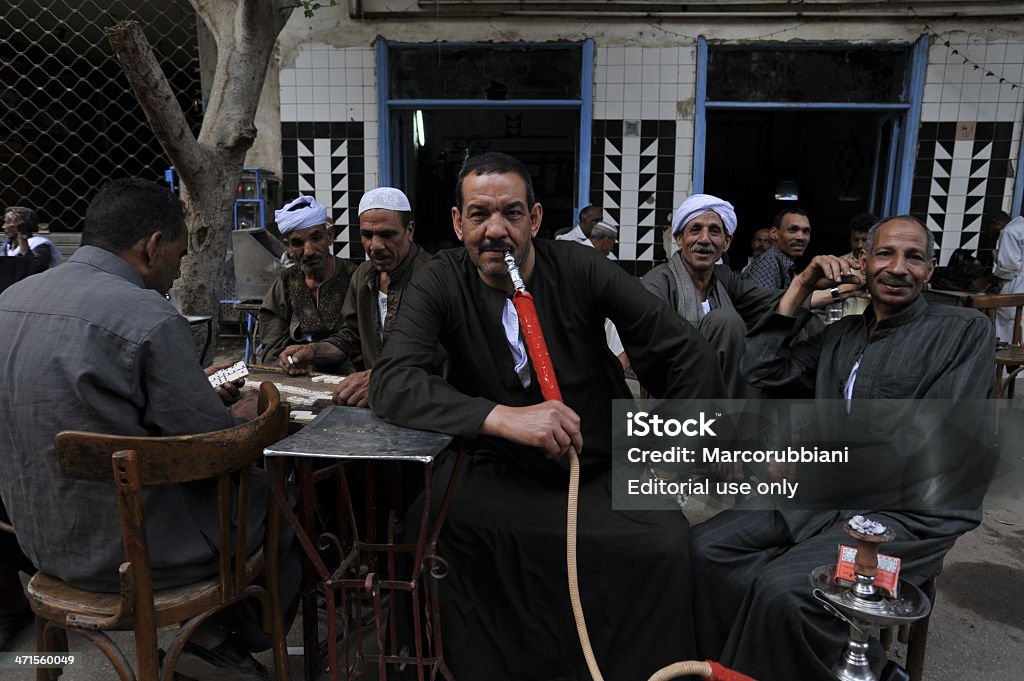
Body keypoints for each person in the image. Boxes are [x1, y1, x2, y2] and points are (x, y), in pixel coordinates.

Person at [369, 152, 726, 680]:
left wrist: (667, 454)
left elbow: (685, 352)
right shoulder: (441, 278)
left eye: (512, 214)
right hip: (496, 465)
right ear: (456, 221)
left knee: (662, 545)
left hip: (598, 465)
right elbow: (393, 380)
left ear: (534, 220)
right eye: (479, 215)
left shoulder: (582, 266)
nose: (496, 231)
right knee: (432, 535)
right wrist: (501, 417)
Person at [0, 178, 297, 679]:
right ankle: (224, 634)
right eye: (179, 258)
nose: (178, 272)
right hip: (134, 558)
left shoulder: (9, 301)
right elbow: (210, 449)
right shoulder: (146, 315)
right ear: (152, 245)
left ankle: (205, 636)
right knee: (284, 488)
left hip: (37, 544)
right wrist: (249, 414)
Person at [691, 215, 995, 681]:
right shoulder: (840, 336)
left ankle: (877, 673)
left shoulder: (962, 330)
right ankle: (723, 668)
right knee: (702, 550)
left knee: (787, 591)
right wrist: (801, 290)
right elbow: (762, 369)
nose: (898, 268)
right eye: (885, 254)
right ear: (863, 263)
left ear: (930, 270)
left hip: (903, 513)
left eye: (914, 257)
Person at [642, 194, 863, 399]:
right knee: (726, 321)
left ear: (726, 243)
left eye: (714, 231)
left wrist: (838, 290)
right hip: (680, 386)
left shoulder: (725, 277)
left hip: (726, 385)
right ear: (679, 239)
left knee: (807, 323)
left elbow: (770, 302)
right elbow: (654, 352)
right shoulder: (659, 282)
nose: (704, 239)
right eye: (695, 230)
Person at [278, 187, 433, 407]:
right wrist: (313, 351)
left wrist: (383, 378)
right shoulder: (363, 276)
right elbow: (350, 338)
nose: (375, 246)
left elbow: (439, 356)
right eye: (367, 235)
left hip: (422, 402)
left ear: (409, 230)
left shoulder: (434, 277)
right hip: (376, 402)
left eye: (387, 234)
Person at [257, 195, 357, 366]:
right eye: (298, 243)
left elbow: (362, 342)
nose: (309, 251)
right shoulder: (286, 282)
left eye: (316, 238)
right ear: (288, 247)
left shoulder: (354, 278)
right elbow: (271, 349)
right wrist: (288, 364)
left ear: (330, 236)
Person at [742, 206, 812, 289]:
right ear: (774, 233)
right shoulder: (768, 263)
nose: (801, 237)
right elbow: (764, 302)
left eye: (806, 231)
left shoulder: (783, 264)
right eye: (793, 230)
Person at [991, 213, 1024, 342]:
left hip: (1016, 289)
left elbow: (1009, 268)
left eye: (987, 229)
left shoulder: (1010, 231)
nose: (987, 234)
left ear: (995, 223)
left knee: (1007, 335)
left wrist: (987, 280)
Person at [836, 212, 876, 317]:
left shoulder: (881, 267)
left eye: (864, 240)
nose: (859, 245)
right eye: (855, 240)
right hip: (843, 327)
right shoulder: (838, 264)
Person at [2, 206, 62, 272]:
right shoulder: (6, 246)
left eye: (8, 223)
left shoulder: (40, 244)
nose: (3, 227)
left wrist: (21, 233)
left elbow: (31, 269)